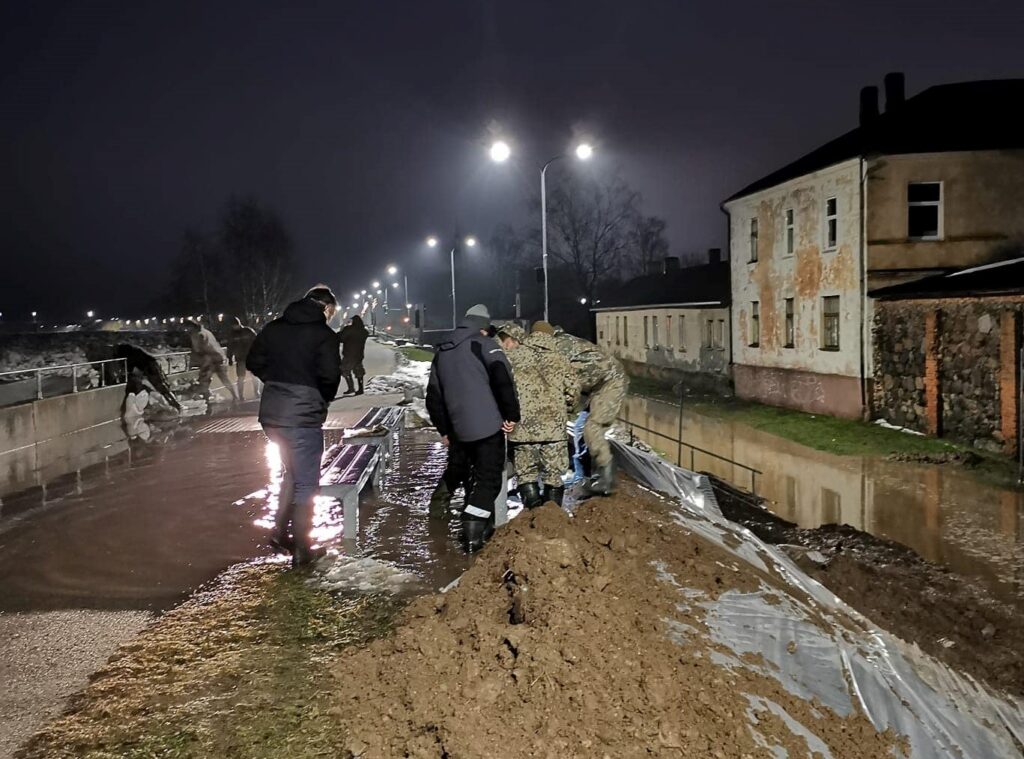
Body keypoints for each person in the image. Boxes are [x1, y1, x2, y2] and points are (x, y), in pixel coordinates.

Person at [246, 286, 342, 567]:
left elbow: (253, 361)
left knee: (291, 475)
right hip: (301, 418)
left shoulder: (274, 328)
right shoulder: (323, 335)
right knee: (306, 484)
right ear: (326, 307)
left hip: (272, 416)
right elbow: (330, 376)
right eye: (331, 313)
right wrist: (319, 396)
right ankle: (303, 551)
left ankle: (279, 535)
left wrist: (276, 381)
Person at [426, 304, 520, 551]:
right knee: (489, 479)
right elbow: (503, 381)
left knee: (470, 478)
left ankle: (479, 528)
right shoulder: (484, 344)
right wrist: (511, 415)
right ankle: (472, 527)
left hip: (458, 431)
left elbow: (433, 397)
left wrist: (445, 430)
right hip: (488, 427)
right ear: (484, 327)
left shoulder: (443, 351)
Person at [497, 322, 578, 508]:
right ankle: (551, 515)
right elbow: (573, 392)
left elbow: (503, 389)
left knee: (526, 473)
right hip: (554, 430)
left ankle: (532, 513)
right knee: (554, 474)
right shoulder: (561, 359)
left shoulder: (512, 357)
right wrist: (565, 409)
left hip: (522, 428)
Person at [551, 324, 628, 496]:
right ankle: (586, 476)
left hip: (610, 382)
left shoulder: (561, 345)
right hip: (595, 386)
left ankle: (607, 479)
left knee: (592, 426)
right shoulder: (563, 343)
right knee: (579, 429)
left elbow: (565, 383)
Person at [114, 343, 181, 410]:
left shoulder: (129, 355)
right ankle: (175, 404)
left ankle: (175, 404)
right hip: (152, 365)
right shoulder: (135, 351)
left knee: (161, 387)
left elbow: (133, 369)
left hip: (149, 367)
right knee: (163, 387)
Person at [186, 320, 238, 402]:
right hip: (219, 357)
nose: (186, 329)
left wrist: (194, 361)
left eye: (187, 327)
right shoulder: (206, 331)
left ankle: (205, 400)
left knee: (204, 380)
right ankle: (235, 395)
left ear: (191, 327)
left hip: (209, 359)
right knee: (224, 379)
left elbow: (198, 349)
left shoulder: (197, 335)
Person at [228, 317, 260, 401]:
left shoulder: (248, 331)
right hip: (241, 358)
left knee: (254, 376)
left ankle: (256, 392)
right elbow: (230, 347)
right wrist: (230, 357)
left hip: (250, 357)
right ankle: (241, 395)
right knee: (241, 378)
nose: (234, 327)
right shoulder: (234, 334)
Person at [339, 314, 369, 396]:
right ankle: (360, 389)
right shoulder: (364, 331)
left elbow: (340, 338)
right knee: (359, 371)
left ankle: (351, 387)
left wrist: (342, 330)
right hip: (359, 354)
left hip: (349, 353)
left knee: (344, 370)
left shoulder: (349, 329)